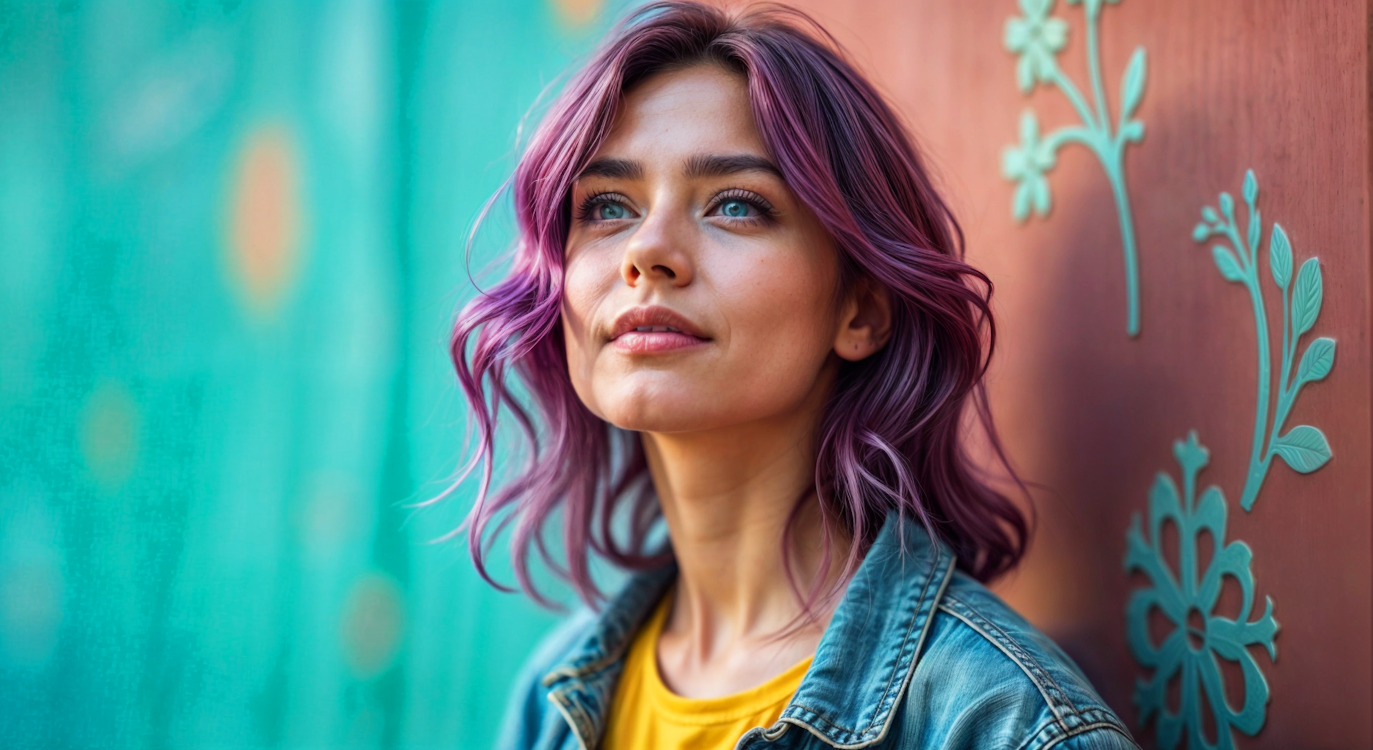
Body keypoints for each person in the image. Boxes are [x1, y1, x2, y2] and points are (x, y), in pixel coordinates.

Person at [447, 2, 1137, 748]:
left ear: (861, 309)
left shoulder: (1004, 724)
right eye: (608, 206)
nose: (646, 253)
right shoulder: (553, 695)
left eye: (737, 205)